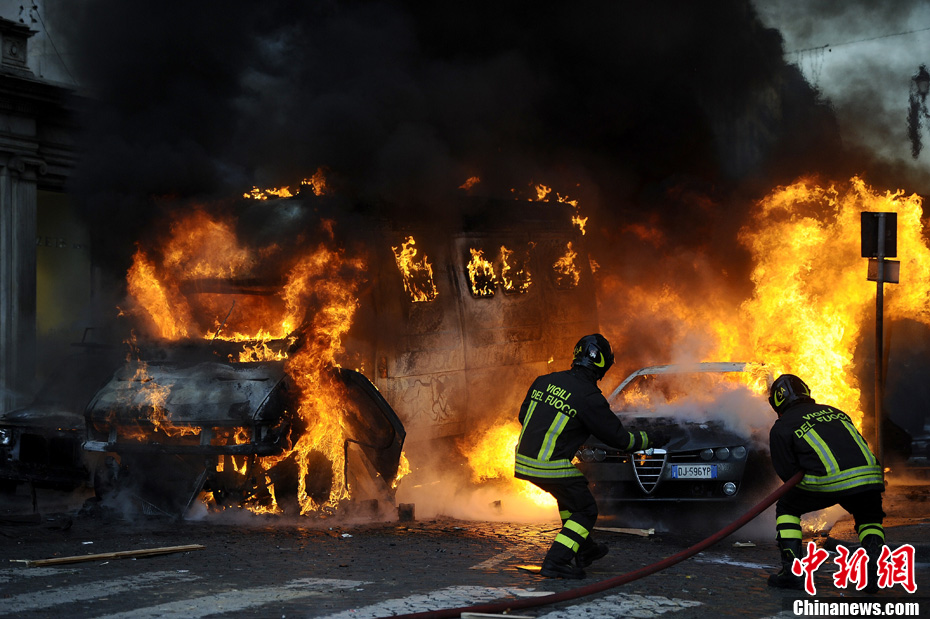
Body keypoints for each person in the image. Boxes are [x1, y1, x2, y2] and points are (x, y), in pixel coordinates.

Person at [514, 333, 668, 579]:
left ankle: (584, 549)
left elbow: (524, 416)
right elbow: (621, 440)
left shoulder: (544, 381)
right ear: (603, 365)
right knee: (586, 510)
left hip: (524, 460)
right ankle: (556, 561)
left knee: (571, 499)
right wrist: (651, 438)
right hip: (549, 464)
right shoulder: (589, 398)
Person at [767, 374, 885, 592]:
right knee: (868, 515)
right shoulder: (836, 412)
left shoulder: (782, 426)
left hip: (828, 480)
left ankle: (792, 573)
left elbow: (788, 475)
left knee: (787, 506)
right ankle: (873, 572)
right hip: (869, 476)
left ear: (776, 403)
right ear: (806, 392)